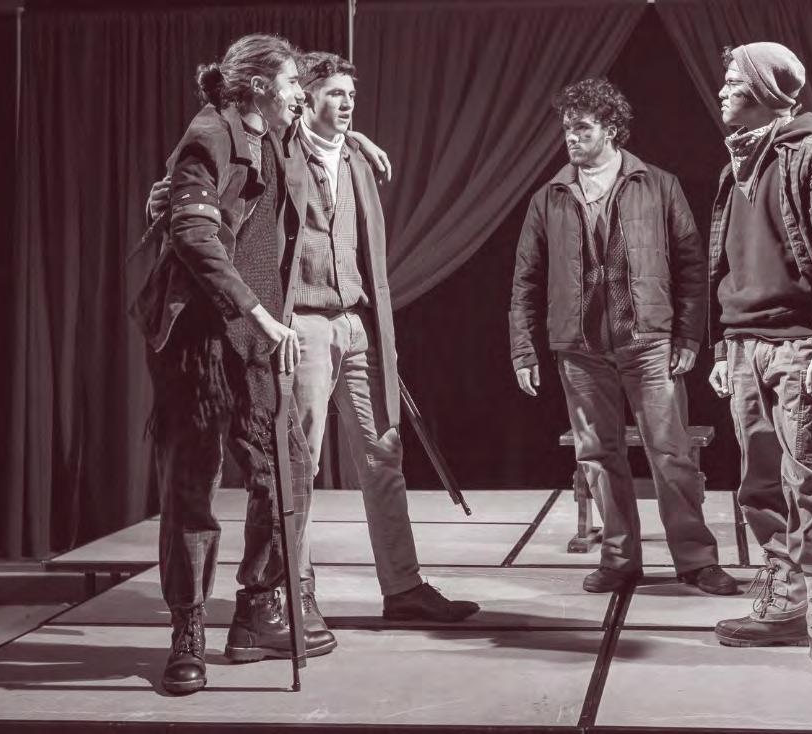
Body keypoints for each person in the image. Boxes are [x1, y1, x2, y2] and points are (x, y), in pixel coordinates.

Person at [130, 33, 335, 696]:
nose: (300, 95)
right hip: (201, 340)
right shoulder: (209, 135)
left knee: (287, 470)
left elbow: (322, 130)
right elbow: (193, 233)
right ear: (258, 87)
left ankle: (256, 610)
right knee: (192, 483)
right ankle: (186, 630)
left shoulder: (275, 134)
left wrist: (354, 142)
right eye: (292, 84)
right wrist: (260, 313)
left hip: (253, 340)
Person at [510, 78, 737, 596]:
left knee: (672, 454)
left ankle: (696, 561)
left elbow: (692, 267)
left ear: (611, 129)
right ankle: (618, 559)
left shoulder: (657, 185)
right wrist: (524, 348)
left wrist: (688, 336)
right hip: (579, 350)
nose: (571, 137)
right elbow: (525, 280)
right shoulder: (550, 196)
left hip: (649, 343)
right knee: (596, 456)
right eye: (567, 129)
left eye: (582, 128)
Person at [288, 52, 480, 644]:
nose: (347, 103)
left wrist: (355, 139)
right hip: (304, 323)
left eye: (352, 94)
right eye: (335, 93)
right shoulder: (281, 150)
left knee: (383, 455)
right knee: (299, 467)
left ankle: (403, 588)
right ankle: (295, 595)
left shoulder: (353, 157)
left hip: (356, 322)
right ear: (306, 96)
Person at [706, 43, 812, 679]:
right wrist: (721, 345)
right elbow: (726, 263)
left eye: (735, 80)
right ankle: (786, 601)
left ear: (765, 90)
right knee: (760, 483)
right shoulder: (735, 164)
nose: (723, 89)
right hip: (744, 347)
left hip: (799, 346)